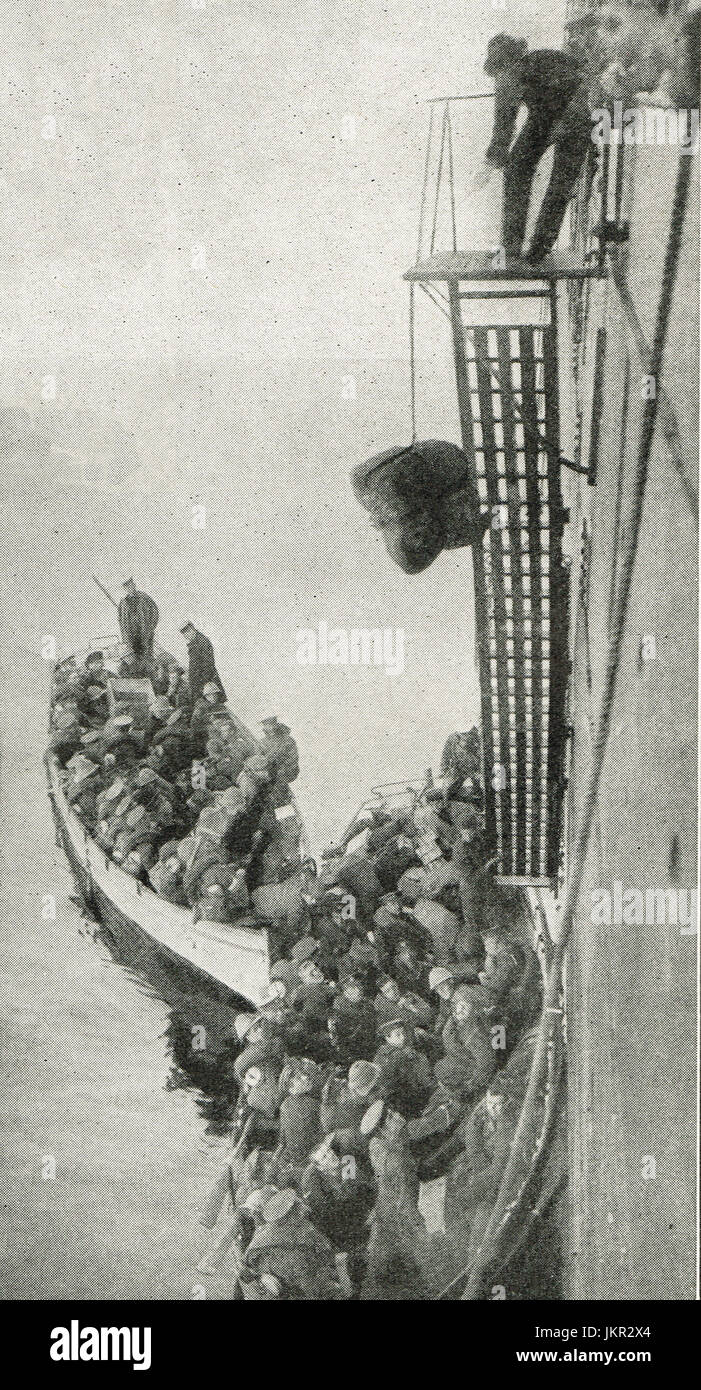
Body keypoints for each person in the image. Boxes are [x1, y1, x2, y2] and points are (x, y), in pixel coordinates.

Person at [480, 33, 592, 263]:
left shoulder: (513, 74)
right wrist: (494, 160)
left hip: (573, 117)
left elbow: (504, 122)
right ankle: (528, 248)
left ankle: (524, 247)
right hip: (553, 117)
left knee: (552, 181)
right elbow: (506, 121)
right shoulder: (533, 63)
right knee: (542, 179)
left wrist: (493, 161)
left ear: (503, 64)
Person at [180, 622, 225, 703]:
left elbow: (208, 666)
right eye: (184, 635)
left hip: (207, 683)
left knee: (208, 706)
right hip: (198, 682)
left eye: (186, 633)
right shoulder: (195, 642)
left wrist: (201, 685)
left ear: (192, 629)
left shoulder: (203, 642)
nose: (185, 637)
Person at [118, 579, 160, 663]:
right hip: (131, 636)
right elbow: (121, 620)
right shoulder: (123, 603)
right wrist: (125, 636)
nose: (129, 588)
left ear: (134, 585)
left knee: (147, 656)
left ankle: (148, 673)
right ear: (124, 588)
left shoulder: (144, 598)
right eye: (126, 587)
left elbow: (155, 612)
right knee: (134, 658)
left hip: (145, 633)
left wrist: (151, 628)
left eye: (131, 585)